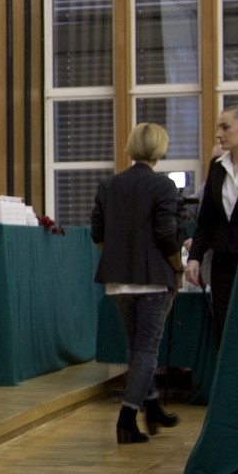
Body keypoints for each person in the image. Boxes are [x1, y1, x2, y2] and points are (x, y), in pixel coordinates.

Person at [93, 124, 185, 445]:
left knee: (135, 346)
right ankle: (127, 418)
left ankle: (152, 404)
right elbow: (166, 234)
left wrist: (120, 259)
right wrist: (177, 269)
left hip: (119, 280)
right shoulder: (163, 185)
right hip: (154, 279)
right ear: (160, 148)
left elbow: (97, 234)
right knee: (147, 349)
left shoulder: (109, 184)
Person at [187, 95, 238, 342]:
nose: (218, 134)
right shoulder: (217, 166)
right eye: (218, 127)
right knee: (225, 328)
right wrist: (195, 258)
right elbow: (206, 219)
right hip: (223, 261)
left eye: (225, 127)